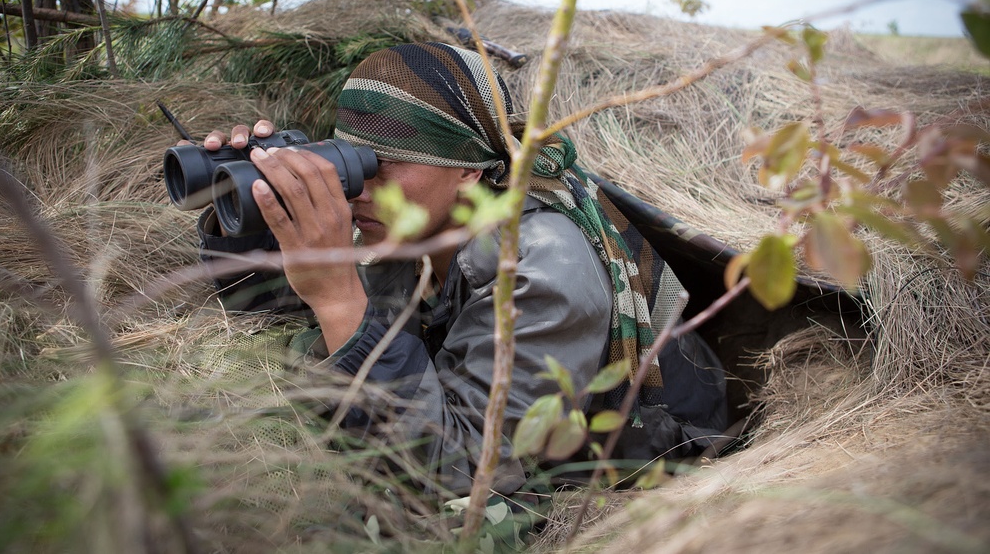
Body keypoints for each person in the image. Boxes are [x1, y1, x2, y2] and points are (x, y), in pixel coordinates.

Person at [195, 42, 727, 499]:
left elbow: (464, 471)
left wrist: (339, 300)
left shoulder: (541, 263)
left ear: (469, 169)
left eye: (381, 165)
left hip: (641, 450)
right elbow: (272, 315)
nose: (358, 188)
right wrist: (250, 221)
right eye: (346, 164)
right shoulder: (412, 224)